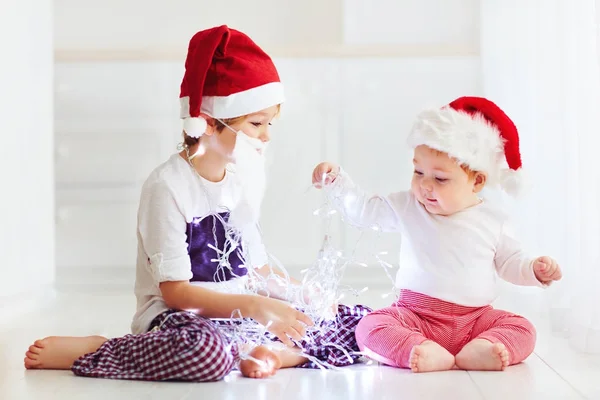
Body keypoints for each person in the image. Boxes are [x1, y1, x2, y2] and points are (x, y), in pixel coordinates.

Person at [24, 25, 370, 381]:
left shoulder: (239, 181)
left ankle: (273, 355)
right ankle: (101, 348)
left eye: (269, 124)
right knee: (203, 353)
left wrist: (304, 295)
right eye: (256, 123)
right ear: (206, 123)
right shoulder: (167, 186)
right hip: (182, 320)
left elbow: (257, 273)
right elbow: (175, 293)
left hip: (238, 316)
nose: (267, 135)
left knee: (358, 323)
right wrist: (255, 307)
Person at [312, 96, 563, 373]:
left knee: (522, 328)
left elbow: (510, 262)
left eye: (440, 178)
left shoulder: (493, 219)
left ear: (477, 181)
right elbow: (365, 210)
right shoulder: (408, 205)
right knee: (369, 326)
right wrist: (338, 183)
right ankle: (417, 349)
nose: (424, 185)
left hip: (476, 320)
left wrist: (534, 269)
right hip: (414, 316)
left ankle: (483, 348)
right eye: (418, 171)